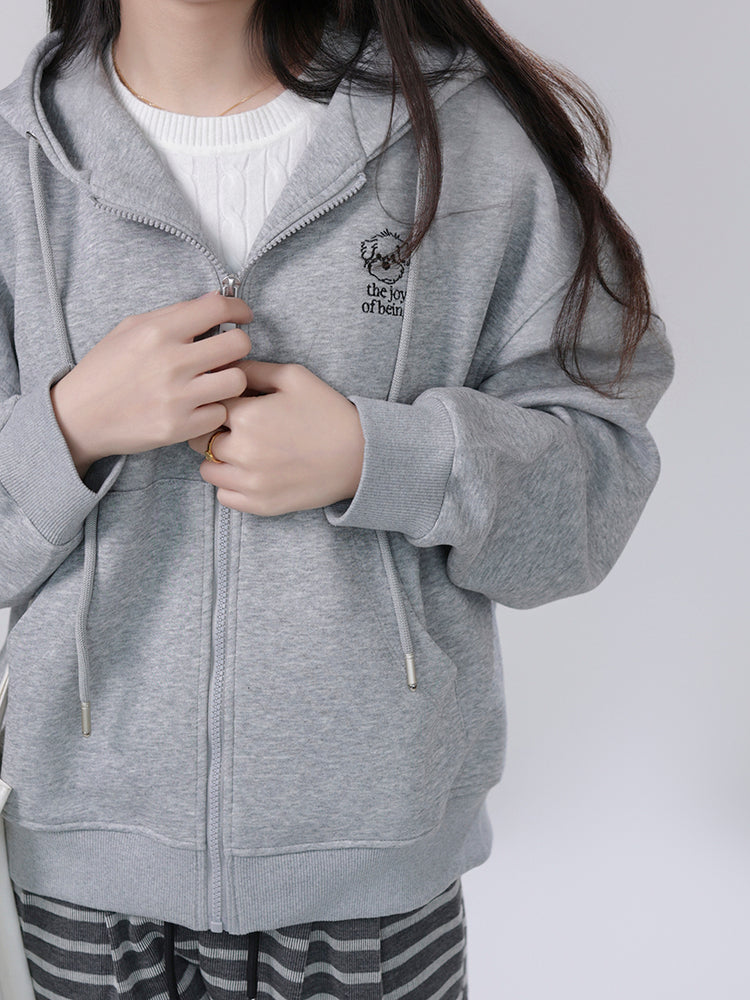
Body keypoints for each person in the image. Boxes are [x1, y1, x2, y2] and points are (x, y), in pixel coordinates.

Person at [0, 0, 674, 997]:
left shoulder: (467, 147)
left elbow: (595, 488)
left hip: (373, 888)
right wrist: (69, 428)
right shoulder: (15, 171)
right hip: (84, 883)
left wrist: (380, 458)